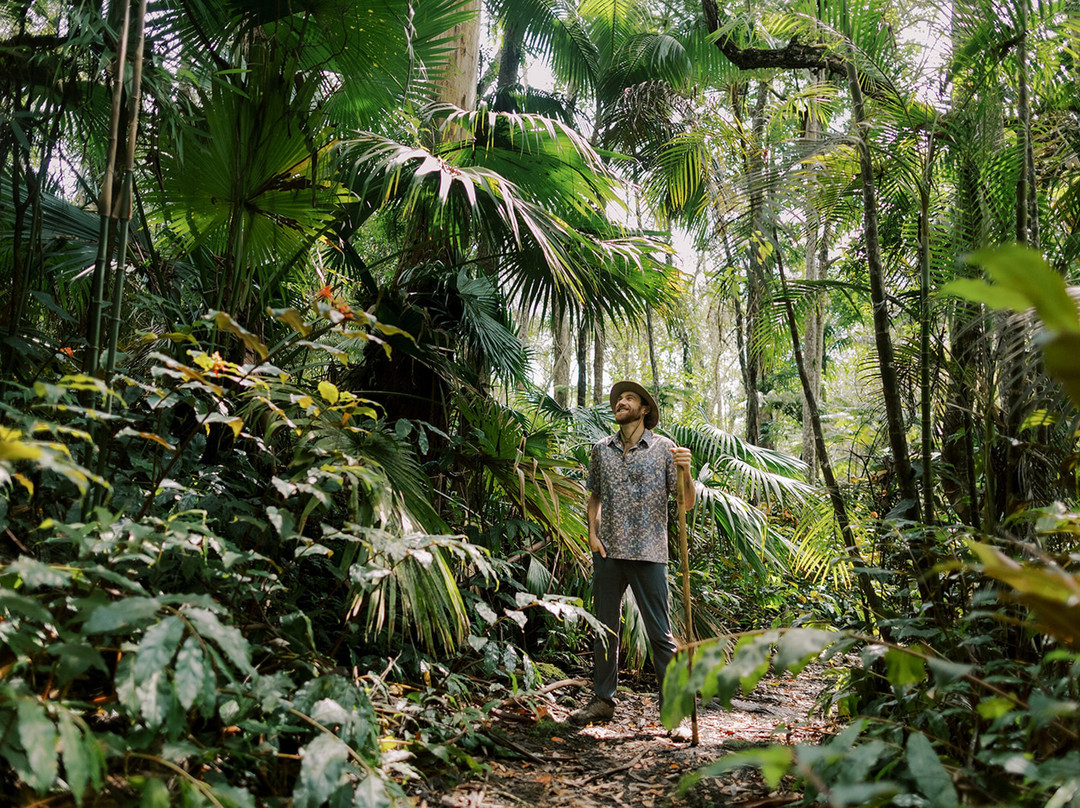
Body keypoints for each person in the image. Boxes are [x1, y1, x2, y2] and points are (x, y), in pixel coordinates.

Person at [570, 380, 695, 732]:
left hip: (649, 552)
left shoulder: (664, 449)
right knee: (604, 630)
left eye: (629, 398)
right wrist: (592, 535)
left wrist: (685, 470)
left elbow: (685, 502)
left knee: (660, 635)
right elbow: (594, 495)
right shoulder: (601, 449)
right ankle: (602, 701)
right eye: (618, 398)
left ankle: (674, 714)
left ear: (644, 409)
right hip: (608, 552)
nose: (621, 402)